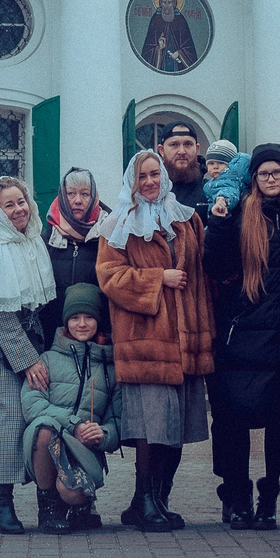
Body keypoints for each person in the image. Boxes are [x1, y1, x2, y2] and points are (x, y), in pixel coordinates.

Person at [92, 148, 214, 533]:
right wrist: (156, 279)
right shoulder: (117, 224)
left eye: (155, 175)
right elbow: (109, 276)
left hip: (186, 340)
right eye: (143, 176)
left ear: (164, 177)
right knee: (150, 427)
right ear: (133, 181)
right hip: (144, 339)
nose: (150, 182)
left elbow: (202, 275)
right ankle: (143, 498)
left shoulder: (186, 219)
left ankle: (158, 499)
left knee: (174, 429)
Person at [203, 143, 280, 530]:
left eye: (277, 173)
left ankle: (269, 498)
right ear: (254, 179)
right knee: (232, 420)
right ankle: (237, 496)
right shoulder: (237, 214)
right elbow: (215, 267)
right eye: (263, 174)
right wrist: (216, 223)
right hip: (242, 333)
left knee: (276, 419)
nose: (270, 179)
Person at [0, 175, 59, 535]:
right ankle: (1, 503)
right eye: (9, 204)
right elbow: (0, 316)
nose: (18, 209)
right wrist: (28, 360)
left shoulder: (32, 242)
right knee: (1, 423)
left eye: (22, 201)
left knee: (28, 419)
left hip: (30, 337)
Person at [21, 283, 122, 535]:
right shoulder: (47, 360)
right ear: (66, 322)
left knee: (72, 492)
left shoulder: (110, 367)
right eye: (75, 317)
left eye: (89, 317)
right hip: (48, 441)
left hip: (84, 450)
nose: (82, 324)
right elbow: (33, 405)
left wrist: (104, 434)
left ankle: (80, 506)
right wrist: (73, 424)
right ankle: (48, 507)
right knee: (43, 428)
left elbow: (118, 419)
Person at [37, 168, 102, 341]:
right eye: (71, 194)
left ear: (94, 198)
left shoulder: (107, 237)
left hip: (97, 337)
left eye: (85, 194)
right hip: (53, 335)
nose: (78, 200)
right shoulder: (46, 240)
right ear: (62, 198)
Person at [141, 0, 200, 72]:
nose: (167, 6)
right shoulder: (156, 19)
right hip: (161, 63)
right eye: (164, 2)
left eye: (169, 2)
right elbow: (148, 48)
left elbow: (188, 45)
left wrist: (179, 53)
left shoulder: (180, 20)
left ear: (174, 3)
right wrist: (159, 48)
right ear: (161, 3)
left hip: (177, 64)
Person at [157, 122, 211, 215]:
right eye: (174, 144)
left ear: (197, 149)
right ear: (161, 150)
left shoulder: (210, 189)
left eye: (188, 144)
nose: (181, 151)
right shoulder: (151, 190)